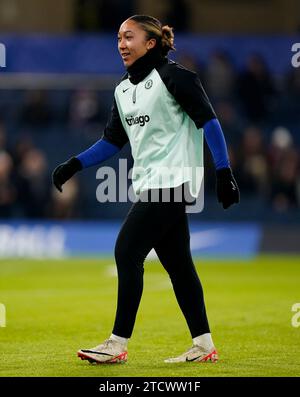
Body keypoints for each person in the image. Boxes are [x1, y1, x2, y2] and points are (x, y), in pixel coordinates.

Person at [52, 15, 240, 364]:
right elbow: (112, 141)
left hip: (172, 183)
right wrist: (74, 164)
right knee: (180, 267)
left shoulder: (177, 77)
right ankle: (203, 344)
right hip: (150, 185)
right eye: (118, 38)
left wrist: (224, 172)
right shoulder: (123, 90)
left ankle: (116, 343)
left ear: (150, 43)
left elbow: (209, 121)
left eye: (129, 37)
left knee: (126, 251)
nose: (121, 44)